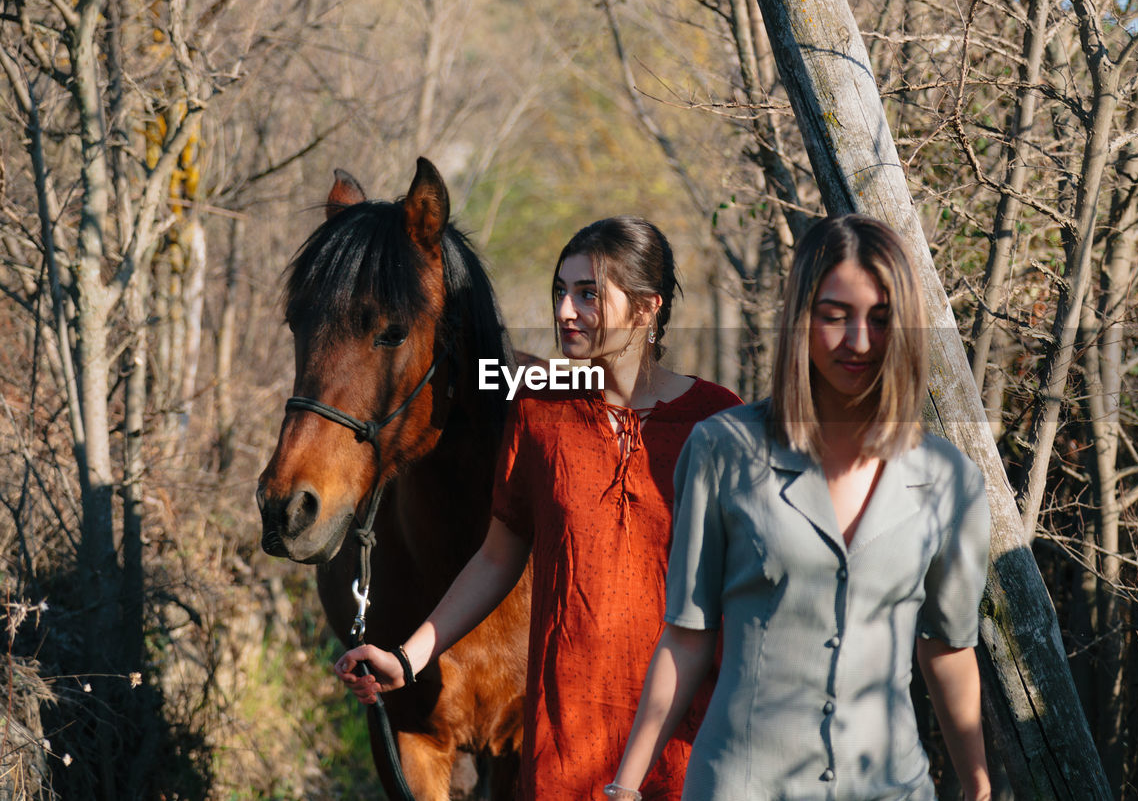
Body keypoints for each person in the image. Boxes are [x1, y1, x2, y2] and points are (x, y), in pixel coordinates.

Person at [335, 216, 741, 800]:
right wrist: (410, 656)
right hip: (567, 741)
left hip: (688, 737)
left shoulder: (718, 419)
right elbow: (498, 557)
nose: (565, 311)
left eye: (588, 294)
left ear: (649, 309)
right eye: (560, 291)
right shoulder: (540, 415)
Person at [610, 214, 992, 801]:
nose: (859, 340)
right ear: (800, 319)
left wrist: (977, 784)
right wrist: (626, 787)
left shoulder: (951, 480)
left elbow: (947, 645)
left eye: (881, 318)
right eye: (834, 315)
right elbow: (687, 637)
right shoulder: (720, 450)